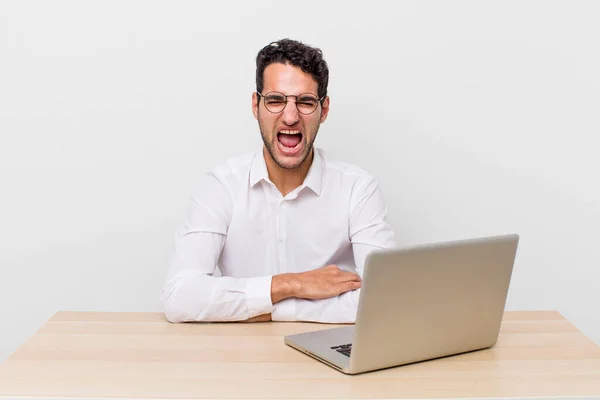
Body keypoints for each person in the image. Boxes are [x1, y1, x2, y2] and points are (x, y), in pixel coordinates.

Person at [161, 38, 396, 323]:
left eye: (306, 102)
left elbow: (384, 299)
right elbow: (179, 296)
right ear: (255, 105)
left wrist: (266, 309)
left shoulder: (358, 189)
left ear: (324, 110)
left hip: (332, 361)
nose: (290, 116)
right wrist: (289, 284)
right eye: (275, 100)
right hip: (241, 359)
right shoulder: (221, 186)